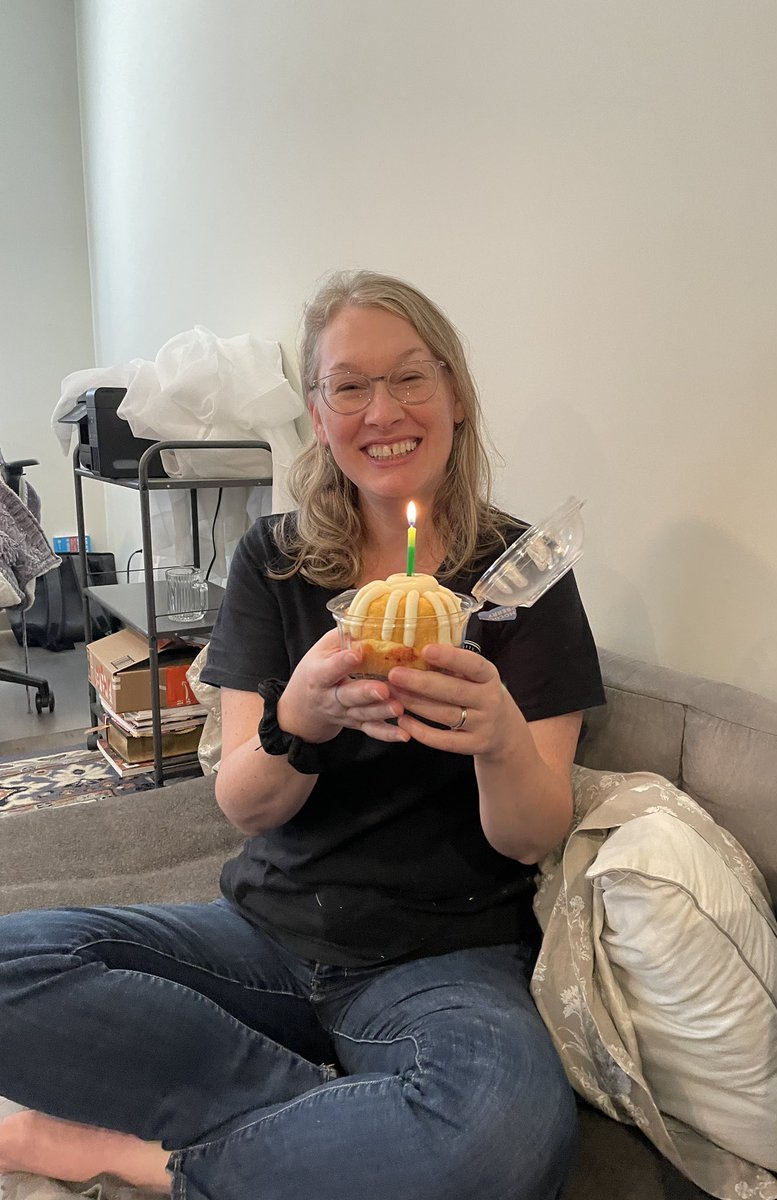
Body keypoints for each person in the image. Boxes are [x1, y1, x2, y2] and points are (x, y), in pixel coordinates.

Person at [0, 270, 605, 1199]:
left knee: (505, 1129)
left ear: (455, 395)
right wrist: (301, 719)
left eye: (411, 377)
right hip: (266, 934)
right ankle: (329, 1125)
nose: (383, 410)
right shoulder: (273, 559)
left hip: (442, 962)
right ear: (318, 416)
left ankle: (147, 1159)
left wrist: (498, 739)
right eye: (348, 386)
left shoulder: (521, 582)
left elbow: (531, 835)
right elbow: (244, 804)